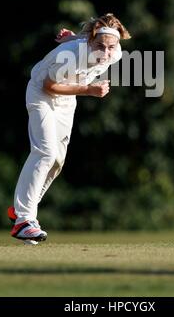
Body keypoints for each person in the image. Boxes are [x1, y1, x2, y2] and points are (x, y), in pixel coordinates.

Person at [8, 13, 131, 244]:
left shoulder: (113, 54)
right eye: (99, 47)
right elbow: (49, 85)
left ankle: (20, 210)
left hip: (66, 101)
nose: (105, 54)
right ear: (90, 42)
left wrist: (72, 37)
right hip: (41, 93)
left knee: (56, 162)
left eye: (110, 47)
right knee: (45, 152)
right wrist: (89, 90)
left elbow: (89, 40)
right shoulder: (71, 55)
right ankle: (24, 221)